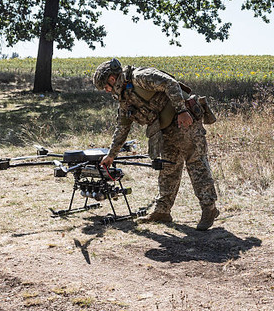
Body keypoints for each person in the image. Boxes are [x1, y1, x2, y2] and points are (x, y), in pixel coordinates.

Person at [93, 59, 220, 230]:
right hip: (166, 130)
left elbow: (170, 83)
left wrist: (182, 110)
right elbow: (122, 127)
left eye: (105, 87)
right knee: (168, 168)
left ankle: (209, 209)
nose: (107, 91)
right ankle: (162, 211)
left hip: (185, 121)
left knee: (196, 164)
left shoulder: (139, 77)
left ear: (112, 79)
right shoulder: (124, 98)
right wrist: (111, 155)